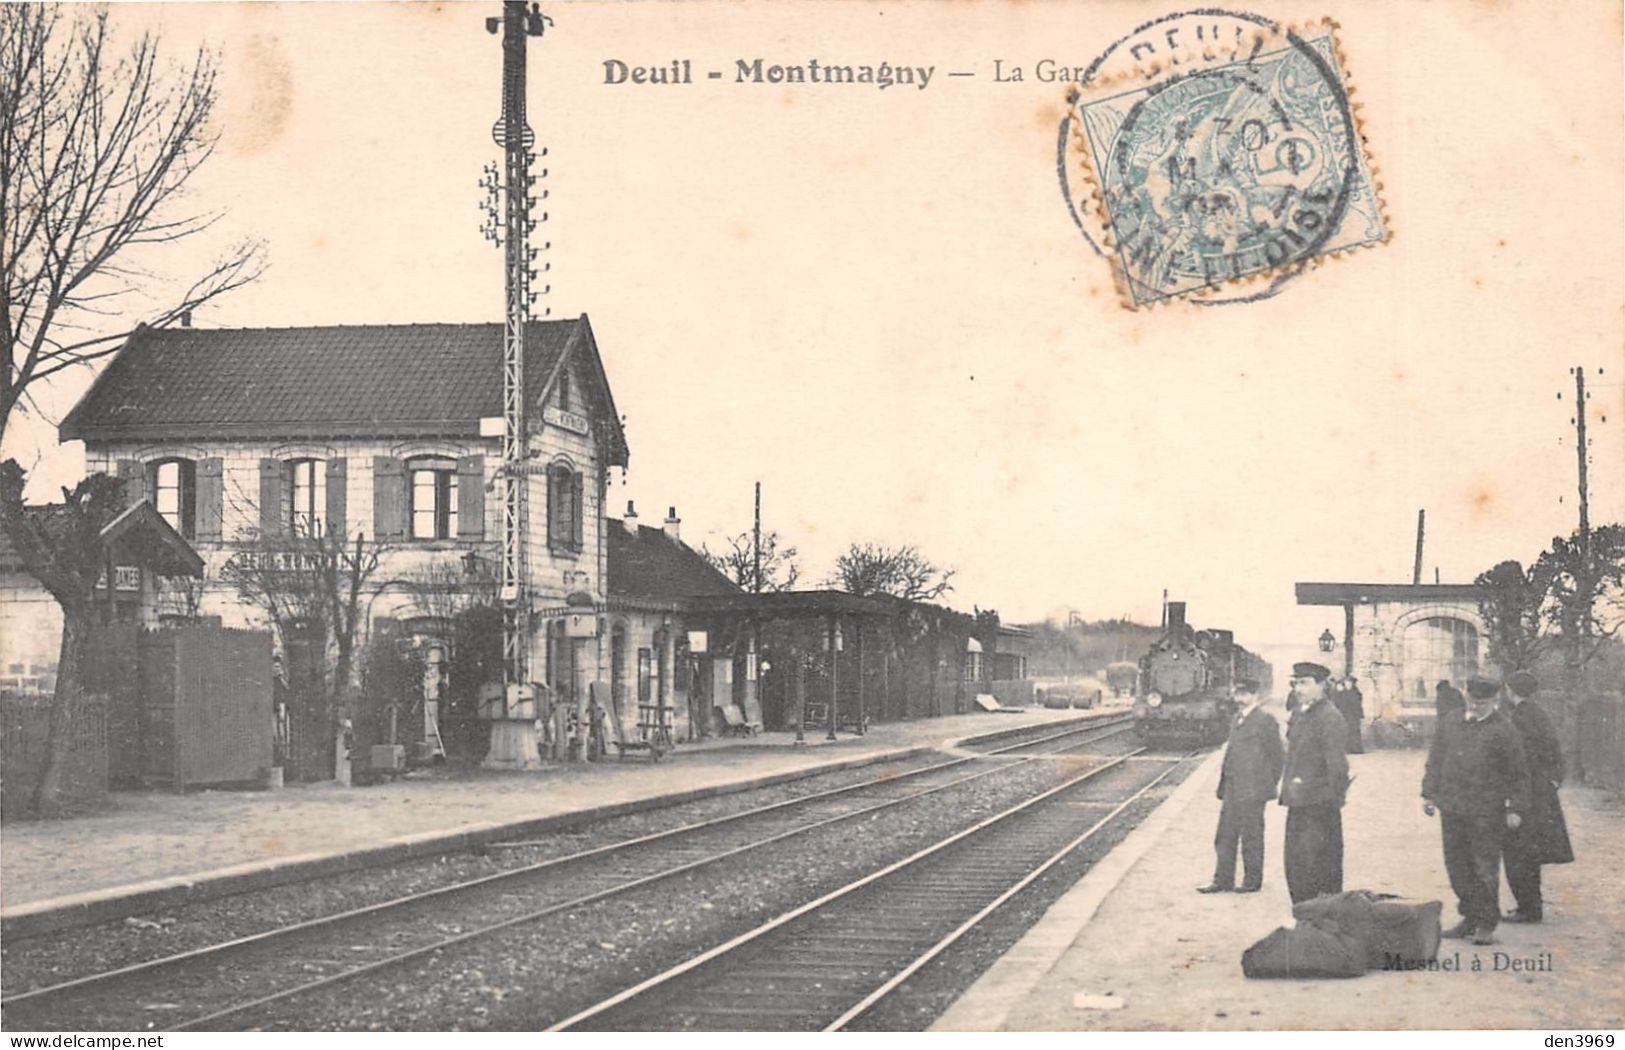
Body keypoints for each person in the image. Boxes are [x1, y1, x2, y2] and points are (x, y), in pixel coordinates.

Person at [1422, 677, 1530, 946]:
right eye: (1471, 700)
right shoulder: (1451, 721)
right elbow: (1436, 759)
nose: (1475, 706)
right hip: (1453, 805)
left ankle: (1485, 922)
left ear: (1494, 701)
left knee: (1484, 868)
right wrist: (1429, 793)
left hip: (1486, 811)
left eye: (1482, 703)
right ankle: (1469, 916)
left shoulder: (1505, 730)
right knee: (1456, 865)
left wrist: (1515, 807)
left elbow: (1518, 773)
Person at [1500, 670, 1573, 923]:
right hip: (1540, 792)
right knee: (1529, 851)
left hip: (1526, 793)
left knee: (1518, 851)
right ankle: (1530, 905)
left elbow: (1520, 758)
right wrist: (1554, 779)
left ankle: (1528, 908)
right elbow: (1554, 750)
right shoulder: (1538, 713)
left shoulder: (1519, 717)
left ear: (1511, 690)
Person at [1198, 677, 1283, 894]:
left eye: (1244, 694)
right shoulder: (1236, 718)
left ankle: (1252, 881)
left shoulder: (1266, 721)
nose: (1240, 698)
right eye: (1237, 694)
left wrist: (1265, 784)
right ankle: (1222, 879)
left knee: (1251, 835)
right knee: (1225, 834)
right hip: (1232, 785)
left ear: (1255, 695)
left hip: (1253, 788)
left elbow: (1277, 757)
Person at [1280, 661, 1350, 904]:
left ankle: (1321, 920)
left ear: (1321, 685)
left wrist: (1331, 799)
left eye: (1305, 683)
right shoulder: (1302, 714)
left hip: (1319, 804)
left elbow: (1338, 767)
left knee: (1318, 865)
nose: (1298, 689)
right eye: (1296, 683)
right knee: (1297, 864)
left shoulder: (1329, 717)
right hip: (1299, 801)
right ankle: (1305, 914)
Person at [1334, 676, 1365, 754]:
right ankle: (1347, 749)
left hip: (1353, 715)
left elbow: (1356, 703)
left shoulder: (1355, 693)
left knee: (1354, 731)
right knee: (1345, 731)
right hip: (1345, 714)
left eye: (1349, 684)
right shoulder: (1341, 693)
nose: (1348, 685)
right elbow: (1338, 703)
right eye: (1346, 684)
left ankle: (1356, 749)